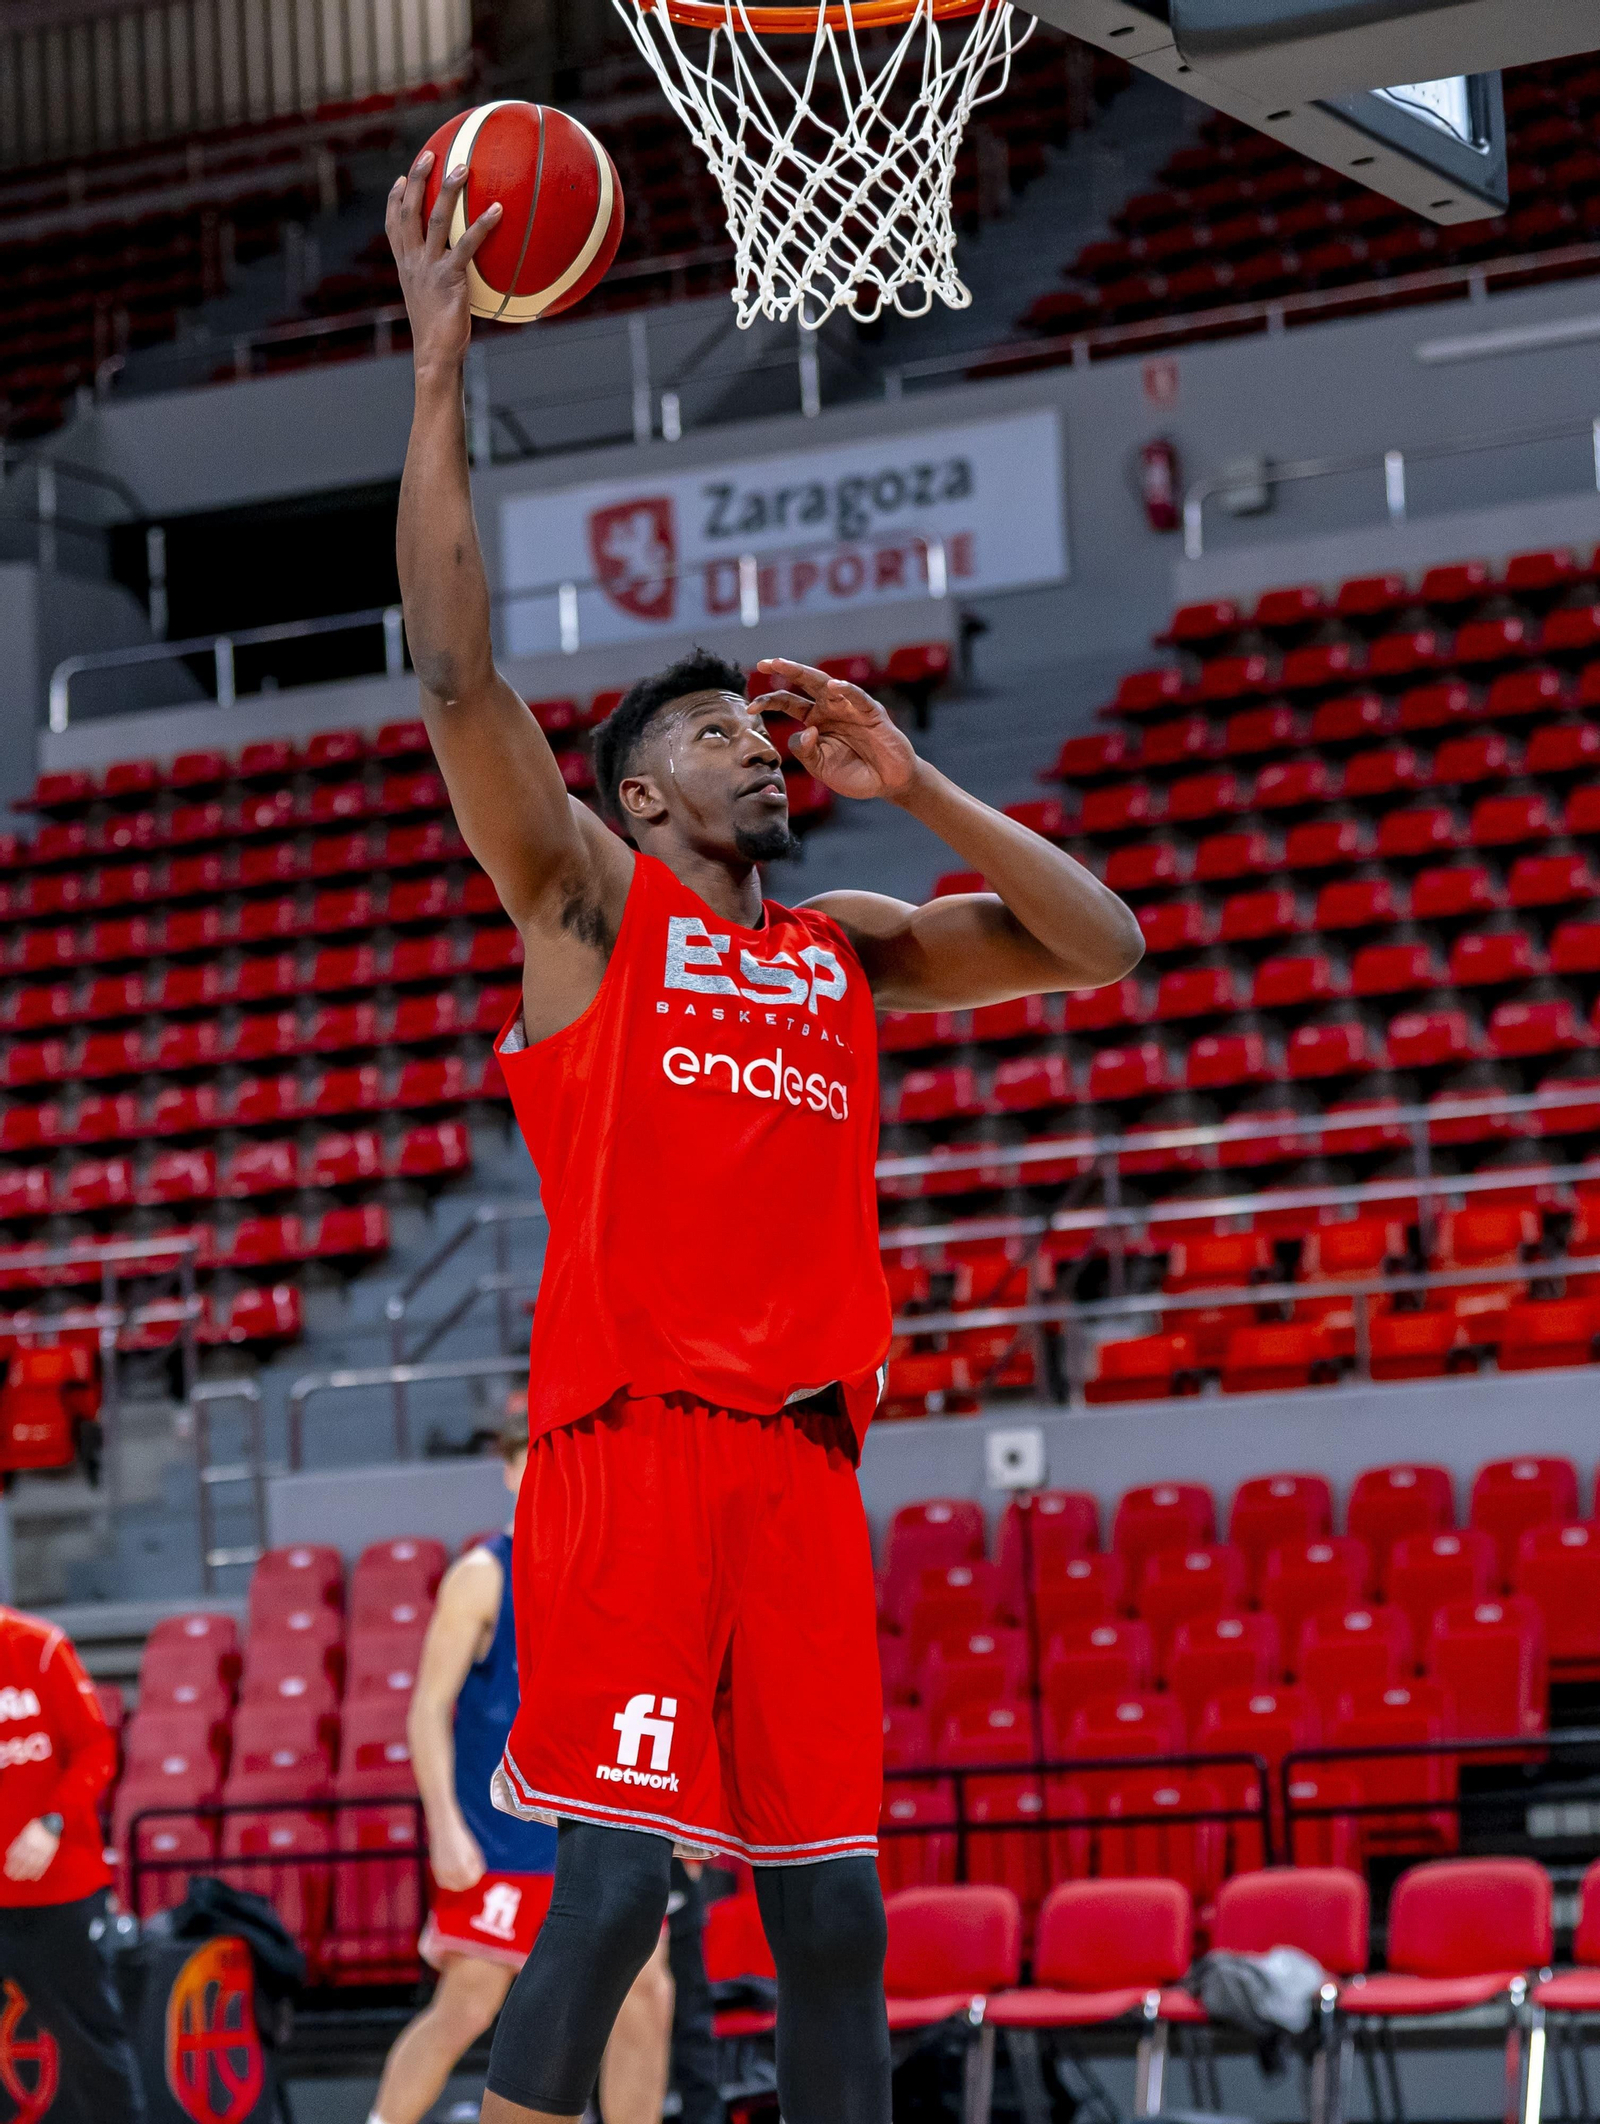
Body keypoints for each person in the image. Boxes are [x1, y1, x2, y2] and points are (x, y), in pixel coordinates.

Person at [384, 144, 1143, 2124]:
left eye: (759, 727)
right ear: (639, 799)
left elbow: (1103, 945)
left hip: (802, 1462)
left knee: (834, 1919)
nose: (753, 741)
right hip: (633, 1447)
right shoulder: (587, 909)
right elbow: (455, 672)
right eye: (709, 732)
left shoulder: (845, 946)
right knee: (610, 1892)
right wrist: (440, 369)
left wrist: (917, 780)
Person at [368, 1418, 674, 2124]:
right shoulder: (483, 1576)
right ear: (510, 1473)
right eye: (534, 1462)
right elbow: (427, 1711)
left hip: (593, 1823)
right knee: (469, 2002)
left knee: (646, 1993)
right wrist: (444, 1826)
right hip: (501, 1835)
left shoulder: (612, 1569)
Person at [0, 1603, 144, 2122]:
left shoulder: (38, 1647)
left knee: (90, 2043)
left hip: (60, 1893)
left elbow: (95, 1749)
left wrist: (52, 1822)